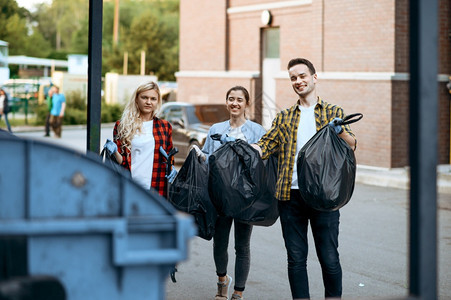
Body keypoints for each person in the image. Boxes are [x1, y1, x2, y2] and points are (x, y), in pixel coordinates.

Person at [251, 58, 357, 299]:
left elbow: (352, 145)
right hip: (291, 197)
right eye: (293, 78)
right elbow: (265, 146)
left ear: (314, 78)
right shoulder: (284, 117)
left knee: (329, 257)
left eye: (302, 76)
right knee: (296, 259)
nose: (298, 81)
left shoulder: (333, 112)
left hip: (325, 196)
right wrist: (243, 147)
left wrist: (339, 130)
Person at [192, 86, 266, 300]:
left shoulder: (257, 131)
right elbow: (206, 157)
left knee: (242, 245)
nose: (235, 103)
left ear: (246, 104)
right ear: (226, 102)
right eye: (231, 99)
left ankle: (238, 293)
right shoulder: (216, 128)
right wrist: (197, 153)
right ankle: (222, 280)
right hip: (220, 197)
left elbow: (262, 162)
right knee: (220, 242)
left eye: (239, 100)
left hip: (245, 198)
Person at [104, 81, 177, 196]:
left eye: (153, 99)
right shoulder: (122, 125)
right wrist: (114, 151)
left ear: (158, 102)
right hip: (130, 185)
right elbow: (122, 161)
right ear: (137, 99)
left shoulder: (165, 127)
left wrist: (171, 167)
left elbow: (169, 156)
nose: (148, 102)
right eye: (144, 97)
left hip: (156, 187)